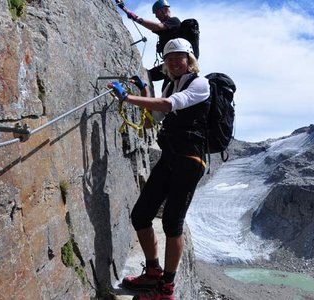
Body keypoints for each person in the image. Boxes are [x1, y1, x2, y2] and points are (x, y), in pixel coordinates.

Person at [109, 38, 210, 300]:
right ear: (165, 63)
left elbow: (168, 106)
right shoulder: (169, 85)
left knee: (172, 221)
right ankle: (153, 272)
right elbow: (155, 118)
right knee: (141, 215)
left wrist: (127, 97)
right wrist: (144, 91)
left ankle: (167, 287)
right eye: (170, 58)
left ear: (190, 60)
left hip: (190, 160)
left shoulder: (200, 84)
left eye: (180, 57)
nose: (175, 62)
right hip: (171, 156)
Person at [116, 0, 181, 82]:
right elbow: (153, 26)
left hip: (176, 63)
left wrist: (136, 18)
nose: (156, 16)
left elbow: (157, 26)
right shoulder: (166, 29)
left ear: (164, 9)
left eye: (157, 13)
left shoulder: (174, 21)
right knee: (147, 76)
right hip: (171, 64)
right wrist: (125, 9)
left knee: (147, 76)